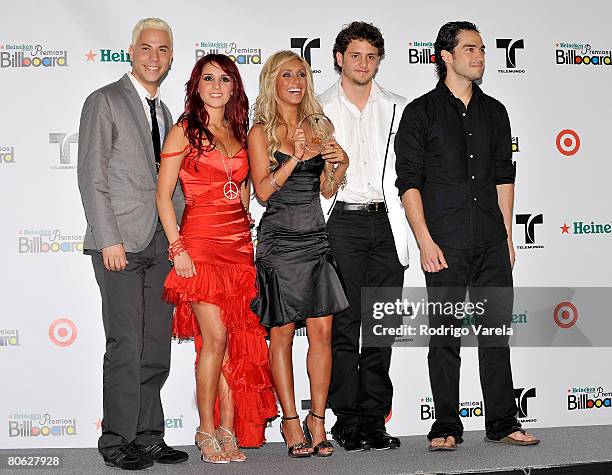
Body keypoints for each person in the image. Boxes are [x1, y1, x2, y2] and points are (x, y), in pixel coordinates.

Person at [395, 21, 539, 450]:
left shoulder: (496, 111)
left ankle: (502, 423)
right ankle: (445, 426)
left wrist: (509, 235)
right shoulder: (420, 112)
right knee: (444, 338)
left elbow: (503, 177)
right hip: (445, 242)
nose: (479, 56)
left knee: (496, 335)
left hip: (491, 240)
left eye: (482, 50)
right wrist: (424, 240)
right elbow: (409, 183)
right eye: (470, 49)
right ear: (445, 56)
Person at [77, 18, 188, 470]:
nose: (154, 57)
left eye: (162, 50)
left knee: (155, 343)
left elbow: (169, 185)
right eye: (146, 48)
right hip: (119, 244)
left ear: (171, 57)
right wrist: (109, 239)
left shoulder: (164, 113)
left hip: (161, 246)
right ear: (131, 51)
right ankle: (116, 439)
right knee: (125, 343)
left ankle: (148, 434)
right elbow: (92, 175)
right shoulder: (103, 101)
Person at [156, 54, 277, 463]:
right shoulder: (183, 131)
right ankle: (204, 430)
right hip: (201, 246)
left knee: (236, 344)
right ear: (196, 85)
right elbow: (163, 196)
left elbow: (241, 190)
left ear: (233, 87)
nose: (216, 86)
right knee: (215, 338)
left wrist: (250, 237)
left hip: (239, 249)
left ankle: (227, 429)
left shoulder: (238, 131)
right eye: (208, 78)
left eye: (224, 79)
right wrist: (178, 249)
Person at [248, 50, 350, 458]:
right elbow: (263, 191)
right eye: (286, 74)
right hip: (278, 245)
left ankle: (317, 419)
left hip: (315, 240)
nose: (296, 80)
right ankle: (291, 421)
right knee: (283, 334)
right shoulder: (260, 132)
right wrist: (294, 157)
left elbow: (326, 189)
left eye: (301, 74)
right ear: (272, 81)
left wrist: (339, 165)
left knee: (323, 332)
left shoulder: (319, 126)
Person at [318, 21, 409, 452]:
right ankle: (347, 419)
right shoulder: (316, 109)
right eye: (355, 55)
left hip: (389, 223)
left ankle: (374, 418)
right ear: (339, 58)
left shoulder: (398, 107)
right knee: (344, 324)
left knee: (382, 324)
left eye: (371, 56)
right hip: (341, 222)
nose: (364, 63)